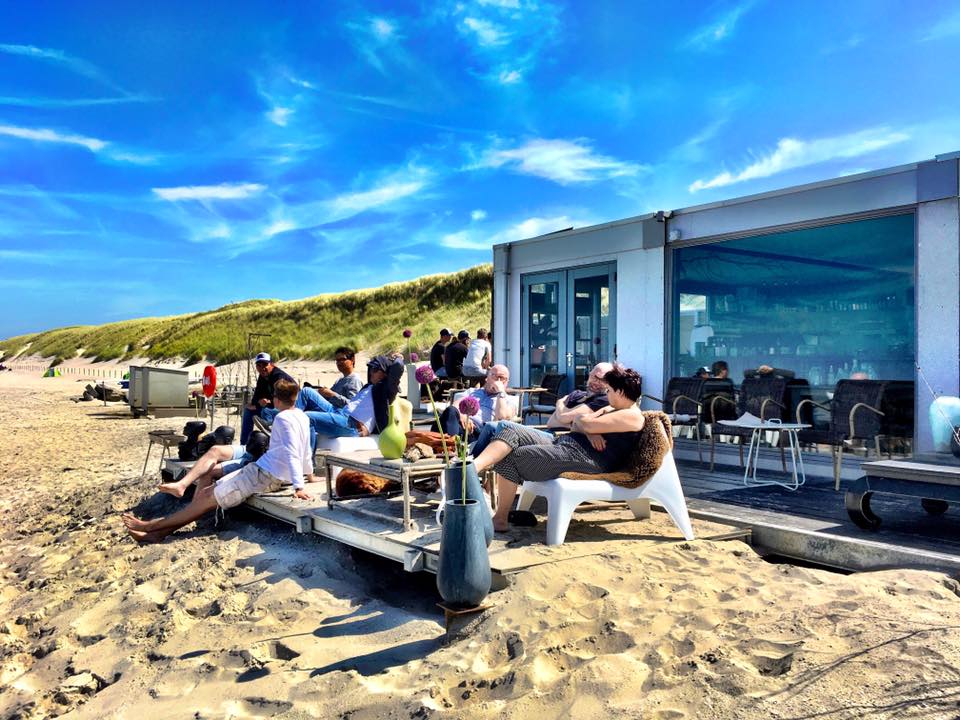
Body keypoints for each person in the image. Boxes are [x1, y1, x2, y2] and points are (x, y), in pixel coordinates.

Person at [123, 379, 313, 543]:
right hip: (264, 472)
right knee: (205, 495)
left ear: (276, 399)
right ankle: (159, 532)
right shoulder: (302, 417)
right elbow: (305, 450)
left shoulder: (283, 418)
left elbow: (291, 451)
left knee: (206, 498)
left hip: (264, 475)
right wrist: (309, 475)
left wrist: (299, 486)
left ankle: (150, 527)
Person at [472, 366, 645, 532]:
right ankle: (473, 468)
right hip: (567, 444)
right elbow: (577, 422)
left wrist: (588, 426)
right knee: (509, 429)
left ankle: (500, 518)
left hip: (587, 458)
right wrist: (590, 431)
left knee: (512, 455)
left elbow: (582, 422)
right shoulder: (612, 408)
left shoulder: (632, 416)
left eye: (610, 390)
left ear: (620, 392)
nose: (607, 394)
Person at [301, 354, 404, 439]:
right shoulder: (369, 386)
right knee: (307, 392)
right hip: (340, 413)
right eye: (371, 369)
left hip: (352, 424)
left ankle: (306, 457)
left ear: (385, 374)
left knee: (306, 417)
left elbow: (397, 368)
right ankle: (291, 421)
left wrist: (399, 358)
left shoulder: (386, 390)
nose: (371, 372)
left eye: (375, 369)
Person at [436, 364, 514, 442]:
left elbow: (501, 418)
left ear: (507, 382)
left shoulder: (508, 400)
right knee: (450, 412)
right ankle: (450, 445)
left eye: (502, 378)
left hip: (478, 433)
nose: (498, 381)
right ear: (487, 378)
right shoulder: (472, 391)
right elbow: (455, 406)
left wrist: (500, 393)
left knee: (443, 428)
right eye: (494, 376)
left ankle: (448, 445)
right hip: (459, 424)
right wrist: (463, 415)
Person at [241, 353, 294, 443]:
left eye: (265, 364)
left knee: (266, 411)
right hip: (273, 406)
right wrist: (258, 403)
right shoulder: (262, 377)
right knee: (248, 411)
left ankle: (270, 442)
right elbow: (256, 396)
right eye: (259, 365)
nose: (262, 368)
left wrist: (260, 404)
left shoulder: (279, 377)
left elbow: (281, 399)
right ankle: (244, 444)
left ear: (272, 364)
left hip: (288, 407)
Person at [546, 362, 614, 429]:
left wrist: (560, 402)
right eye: (594, 377)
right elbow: (550, 423)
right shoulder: (576, 394)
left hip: (565, 435)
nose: (597, 382)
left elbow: (563, 417)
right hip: (551, 433)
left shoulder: (603, 400)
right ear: (589, 374)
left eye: (603, 380)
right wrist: (572, 425)